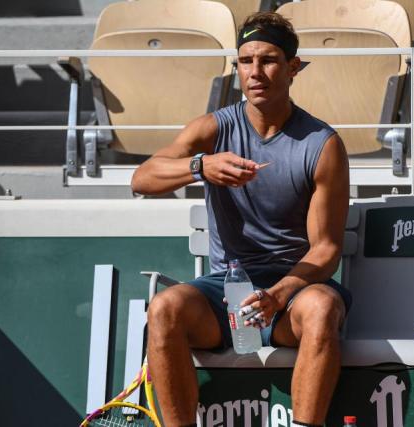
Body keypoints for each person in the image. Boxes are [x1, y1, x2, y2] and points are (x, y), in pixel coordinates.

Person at [131, 12, 351, 427]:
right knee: (164, 308)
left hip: (293, 295)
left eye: (268, 60)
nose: (256, 72)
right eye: (246, 61)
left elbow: (326, 250)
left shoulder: (323, 145)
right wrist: (200, 166)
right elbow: (142, 178)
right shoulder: (213, 129)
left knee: (323, 307)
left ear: (293, 68)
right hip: (225, 293)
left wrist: (279, 293)